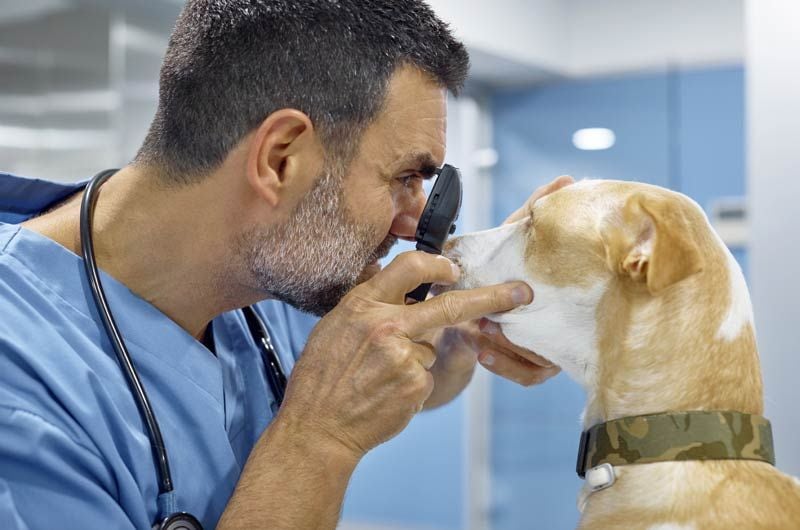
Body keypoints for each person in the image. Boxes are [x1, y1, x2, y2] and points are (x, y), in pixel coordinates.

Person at [0, 1, 567, 528]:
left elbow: (397, 376)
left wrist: (456, 328)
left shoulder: (270, 270)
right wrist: (319, 439)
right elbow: (332, 409)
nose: (411, 223)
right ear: (280, 158)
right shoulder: (18, 382)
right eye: (403, 178)